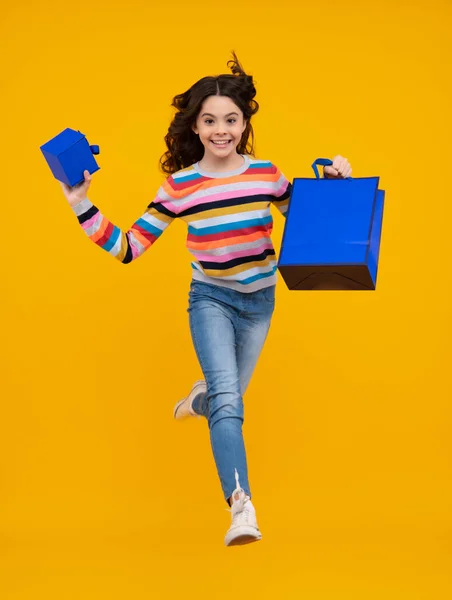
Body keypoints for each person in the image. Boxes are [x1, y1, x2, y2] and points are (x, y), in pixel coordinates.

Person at [60, 52, 352, 547]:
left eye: (231, 120)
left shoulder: (266, 175)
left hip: (260, 301)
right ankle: (242, 508)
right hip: (211, 300)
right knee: (230, 406)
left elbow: (310, 224)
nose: (221, 129)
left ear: (244, 124)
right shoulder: (180, 187)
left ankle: (200, 399)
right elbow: (129, 248)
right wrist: (81, 204)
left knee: (221, 399)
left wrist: (336, 183)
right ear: (195, 127)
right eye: (210, 120)